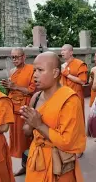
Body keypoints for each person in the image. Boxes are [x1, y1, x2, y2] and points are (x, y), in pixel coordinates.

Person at [21, 52, 86, 182]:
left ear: (55, 73)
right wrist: (29, 122)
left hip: (59, 163)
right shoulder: (36, 97)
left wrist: (39, 125)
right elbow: (27, 132)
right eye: (34, 70)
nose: (34, 75)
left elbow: (67, 142)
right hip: (36, 160)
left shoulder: (69, 99)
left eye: (40, 70)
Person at [0, 47, 36, 176]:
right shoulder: (12, 71)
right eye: (13, 57)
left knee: (27, 136)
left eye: (17, 56)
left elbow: (32, 90)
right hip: (13, 108)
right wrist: (8, 87)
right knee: (18, 139)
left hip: (25, 107)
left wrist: (15, 86)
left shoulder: (32, 70)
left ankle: (34, 163)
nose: (14, 59)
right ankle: (25, 164)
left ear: (24, 57)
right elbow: (10, 91)